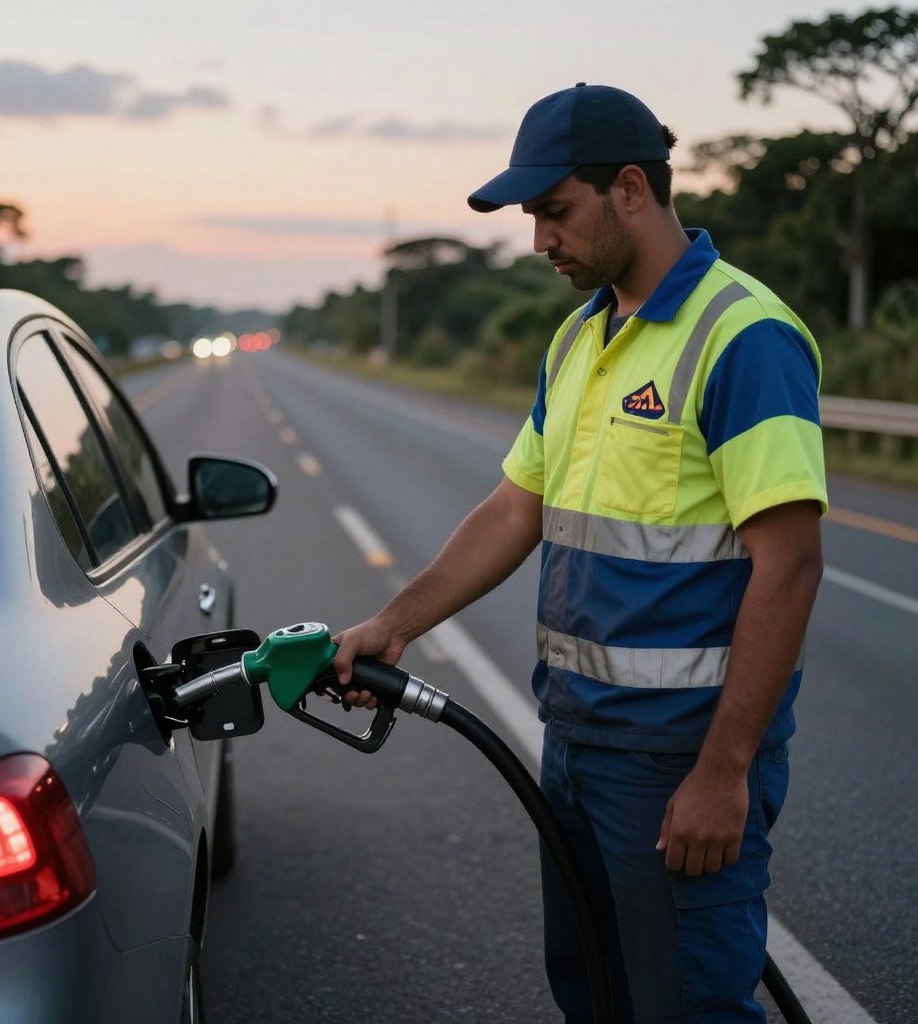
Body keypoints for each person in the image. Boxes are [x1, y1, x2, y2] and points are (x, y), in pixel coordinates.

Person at [334, 83, 826, 1023]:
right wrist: (394, 625)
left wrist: (724, 771)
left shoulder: (743, 336)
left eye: (555, 212)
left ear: (631, 189)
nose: (539, 241)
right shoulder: (580, 339)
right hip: (576, 736)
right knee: (595, 990)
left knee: (688, 1005)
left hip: (679, 753)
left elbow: (791, 564)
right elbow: (516, 510)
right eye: (533, 217)